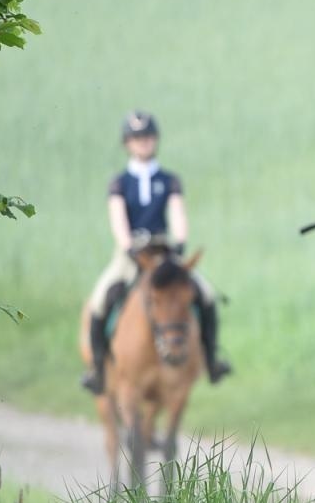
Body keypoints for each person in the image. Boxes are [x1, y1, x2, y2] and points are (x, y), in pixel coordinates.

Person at [81, 112, 231, 393]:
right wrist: (128, 247)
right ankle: (97, 369)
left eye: (148, 138)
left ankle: (212, 362)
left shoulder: (169, 180)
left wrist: (180, 243)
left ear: (155, 141)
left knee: (206, 295)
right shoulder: (120, 183)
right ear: (128, 143)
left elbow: (177, 213)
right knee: (101, 299)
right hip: (130, 254)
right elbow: (118, 219)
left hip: (164, 252)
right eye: (137, 139)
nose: (143, 144)